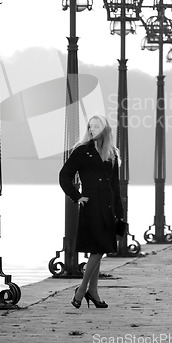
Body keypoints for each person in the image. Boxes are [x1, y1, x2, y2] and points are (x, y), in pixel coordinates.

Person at [59, 114, 124, 309]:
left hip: (108, 207)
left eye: (96, 126)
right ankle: (82, 289)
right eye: (90, 126)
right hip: (91, 205)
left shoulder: (112, 153)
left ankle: (93, 292)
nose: (92, 129)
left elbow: (115, 186)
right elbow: (64, 176)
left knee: (99, 248)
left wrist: (120, 213)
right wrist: (77, 196)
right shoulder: (82, 151)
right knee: (98, 248)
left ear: (105, 129)